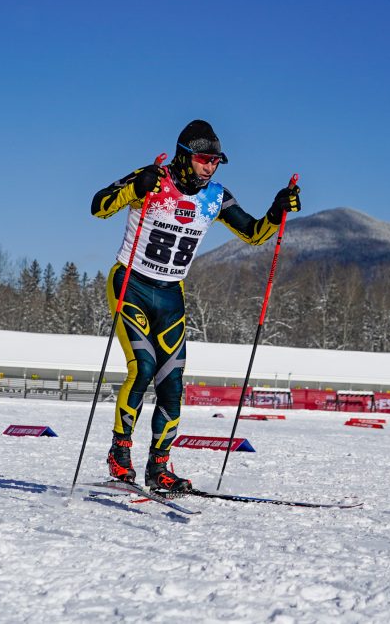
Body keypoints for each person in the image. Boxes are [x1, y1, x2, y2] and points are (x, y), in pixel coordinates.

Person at [90, 119, 301, 492]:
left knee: (172, 381)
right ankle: (119, 453)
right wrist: (133, 189)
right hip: (131, 283)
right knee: (143, 367)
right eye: (204, 159)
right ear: (184, 156)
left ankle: (159, 466)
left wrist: (276, 211)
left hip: (171, 294)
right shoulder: (154, 179)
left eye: (216, 161)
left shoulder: (216, 197)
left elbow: (255, 234)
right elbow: (99, 207)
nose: (210, 167)